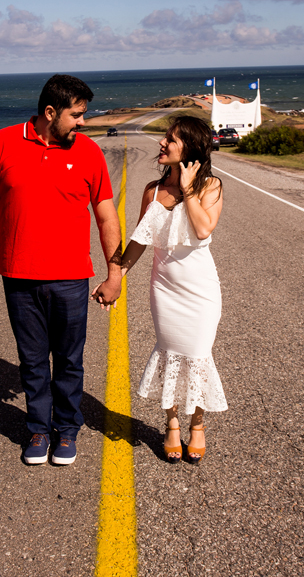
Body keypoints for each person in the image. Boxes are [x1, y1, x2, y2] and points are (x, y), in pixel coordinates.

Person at [0, 74, 122, 466]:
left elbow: (106, 216)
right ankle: (39, 429)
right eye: (77, 115)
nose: (83, 123)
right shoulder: (3, 142)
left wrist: (115, 273)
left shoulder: (89, 152)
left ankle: (67, 430)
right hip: (19, 278)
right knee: (33, 360)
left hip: (71, 279)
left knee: (69, 361)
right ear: (51, 112)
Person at [95, 116, 227, 464]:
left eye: (171, 139)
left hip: (200, 290)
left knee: (197, 356)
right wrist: (116, 277)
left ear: (191, 148)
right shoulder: (152, 191)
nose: (162, 143)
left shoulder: (211, 186)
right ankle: (171, 424)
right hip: (164, 290)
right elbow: (140, 241)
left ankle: (197, 425)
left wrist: (187, 188)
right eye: (165, 137)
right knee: (169, 354)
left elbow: (203, 230)